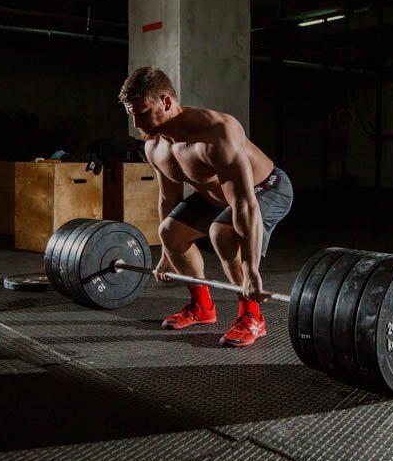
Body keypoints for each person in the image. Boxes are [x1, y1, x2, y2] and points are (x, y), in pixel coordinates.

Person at [119, 66, 293, 347]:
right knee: (169, 232)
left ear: (165, 101)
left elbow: (244, 202)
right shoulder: (155, 147)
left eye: (141, 113)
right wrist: (166, 254)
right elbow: (168, 199)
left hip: (267, 188)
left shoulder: (216, 132)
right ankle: (202, 308)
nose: (137, 123)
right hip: (216, 195)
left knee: (221, 232)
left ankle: (252, 316)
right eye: (131, 115)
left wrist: (251, 272)